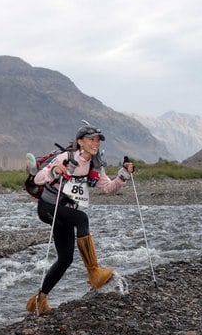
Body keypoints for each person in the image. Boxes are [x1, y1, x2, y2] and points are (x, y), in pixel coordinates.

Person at [26, 122, 135, 314]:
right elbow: (38, 178)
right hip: (48, 207)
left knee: (66, 258)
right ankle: (94, 272)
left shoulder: (95, 165)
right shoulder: (65, 157)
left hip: (65, 212)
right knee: (82, 219)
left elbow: (108, 189)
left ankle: (39, 300)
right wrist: (54, 171)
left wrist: (123, 175)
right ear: (80, 142)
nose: (96, 143)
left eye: (98, 140)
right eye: (91, 139)